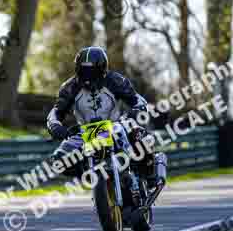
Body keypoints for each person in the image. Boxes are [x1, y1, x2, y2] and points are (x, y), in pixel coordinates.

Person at [46, 46, 161, 179]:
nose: (88, 76)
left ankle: (150, 175)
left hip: (117, 127)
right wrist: (55, 125)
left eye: (92, 71)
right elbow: (56, 111)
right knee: (58, 160)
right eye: (84, 71)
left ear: (102, 69)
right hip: (85, 133)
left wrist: (137, 111)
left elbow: (138, 100)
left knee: (139, 135)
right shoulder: (69, 87)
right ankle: (87, 173)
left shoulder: (116, 80)